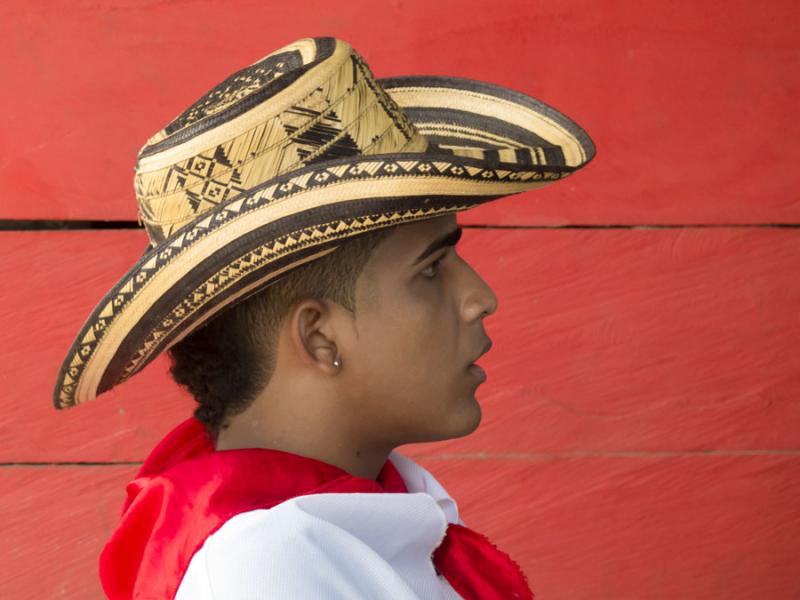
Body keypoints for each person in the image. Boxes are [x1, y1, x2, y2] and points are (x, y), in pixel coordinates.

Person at [53, 36, 595, 599]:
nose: (480, 298)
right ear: (319, 335)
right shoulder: (266, 571)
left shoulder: (348, 518)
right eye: (432, 270)